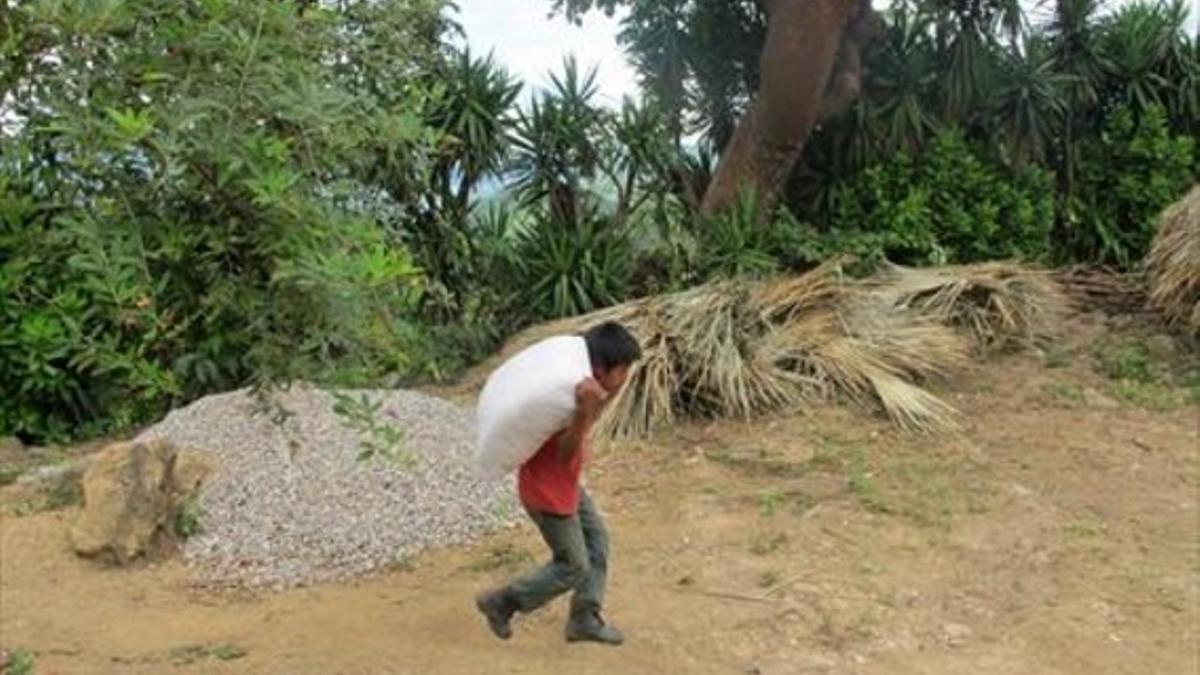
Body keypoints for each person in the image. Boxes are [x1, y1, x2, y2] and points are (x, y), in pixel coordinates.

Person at [475, 321, 642, 646]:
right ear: (601, 368)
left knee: (598, 543)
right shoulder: (569, 399)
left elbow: (592, 414)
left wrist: (604, 397)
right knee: (573, 566)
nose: (625, 378)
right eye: (622, 370)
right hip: (546, 495)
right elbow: (565, 454)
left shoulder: (586, 389)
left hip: (565, 487)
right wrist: (583, 413)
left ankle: (584, 618)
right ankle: (503, 602)